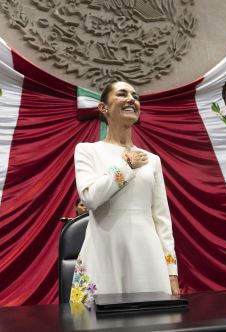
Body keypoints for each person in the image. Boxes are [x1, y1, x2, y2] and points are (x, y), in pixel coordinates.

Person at [70, 81, 179, 304]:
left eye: (136, 96)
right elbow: (90, 198)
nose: (132, 99)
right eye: (122, 94)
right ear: (103, 108)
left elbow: (162, 219)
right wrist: (125, 166)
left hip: (147, 253)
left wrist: (171, 270)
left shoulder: (153, 160)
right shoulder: (87, 151)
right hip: (103, 250)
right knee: (96, 322)